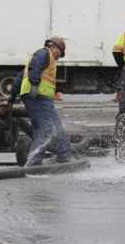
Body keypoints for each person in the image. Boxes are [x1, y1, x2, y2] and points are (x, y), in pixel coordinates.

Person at [9, 36, 76, 166]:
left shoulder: (40, 56)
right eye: (59, 54)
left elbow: (21, 76)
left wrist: (12, 94)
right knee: (53, 126)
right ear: (53, 47)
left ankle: (34, 162)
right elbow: (34, 67)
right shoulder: (44, 53)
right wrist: (35, 84)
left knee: (42, 131)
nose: (58, 58)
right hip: (38, 96)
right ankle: (65, 154)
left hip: (34, 97)